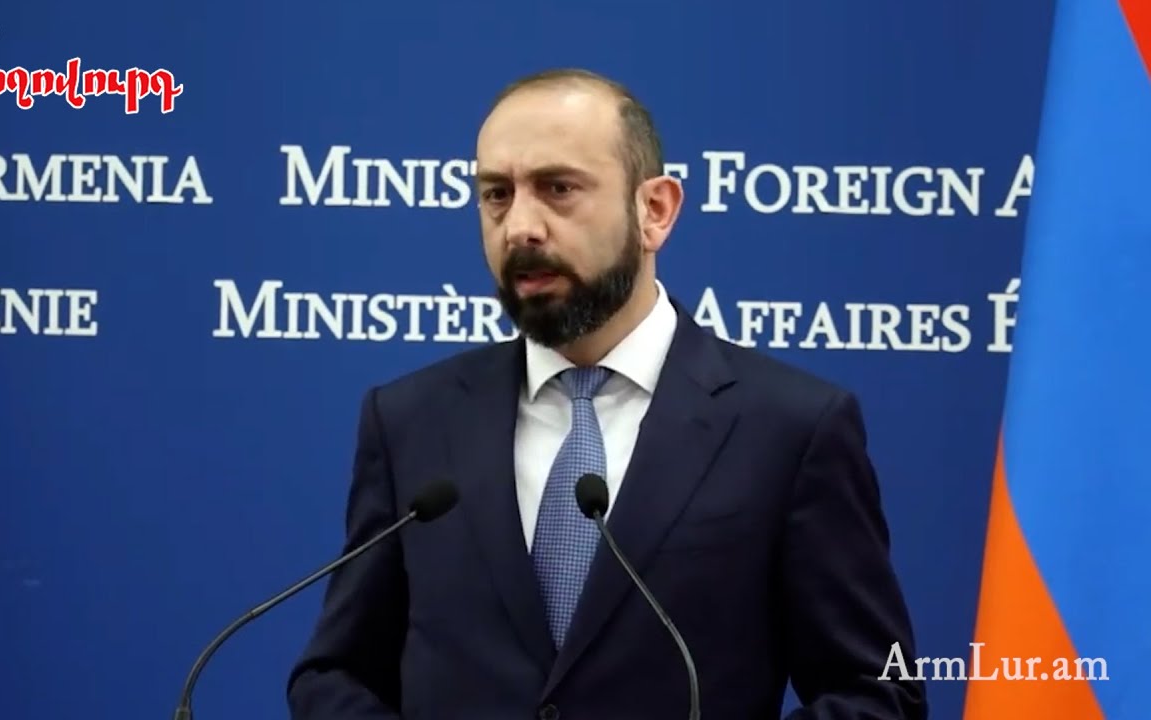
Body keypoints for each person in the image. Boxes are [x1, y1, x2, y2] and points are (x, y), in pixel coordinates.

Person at [286, 68, 927, 720]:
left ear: (655, 211)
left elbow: (876, 691)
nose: (520, 227)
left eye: (558, 188)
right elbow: (336, 673)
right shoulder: (411, 421)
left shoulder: (789, 428)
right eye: (497, 194)